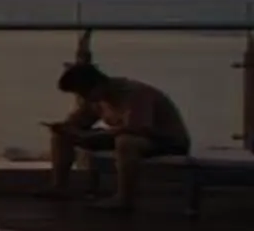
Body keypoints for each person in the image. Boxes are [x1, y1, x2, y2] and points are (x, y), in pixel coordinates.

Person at [46, 61, 191, 211]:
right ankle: (59, 186)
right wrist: (67, 129)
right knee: (62, 135)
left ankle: (124, 198)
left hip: (165, 140)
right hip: (127, 136)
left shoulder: (135, 93)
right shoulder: (96, 100)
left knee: (126, 142)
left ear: (99, 84)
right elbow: (78, 122)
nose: (85, 98)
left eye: (84, 93)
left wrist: (90, 136)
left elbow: (137, 129)